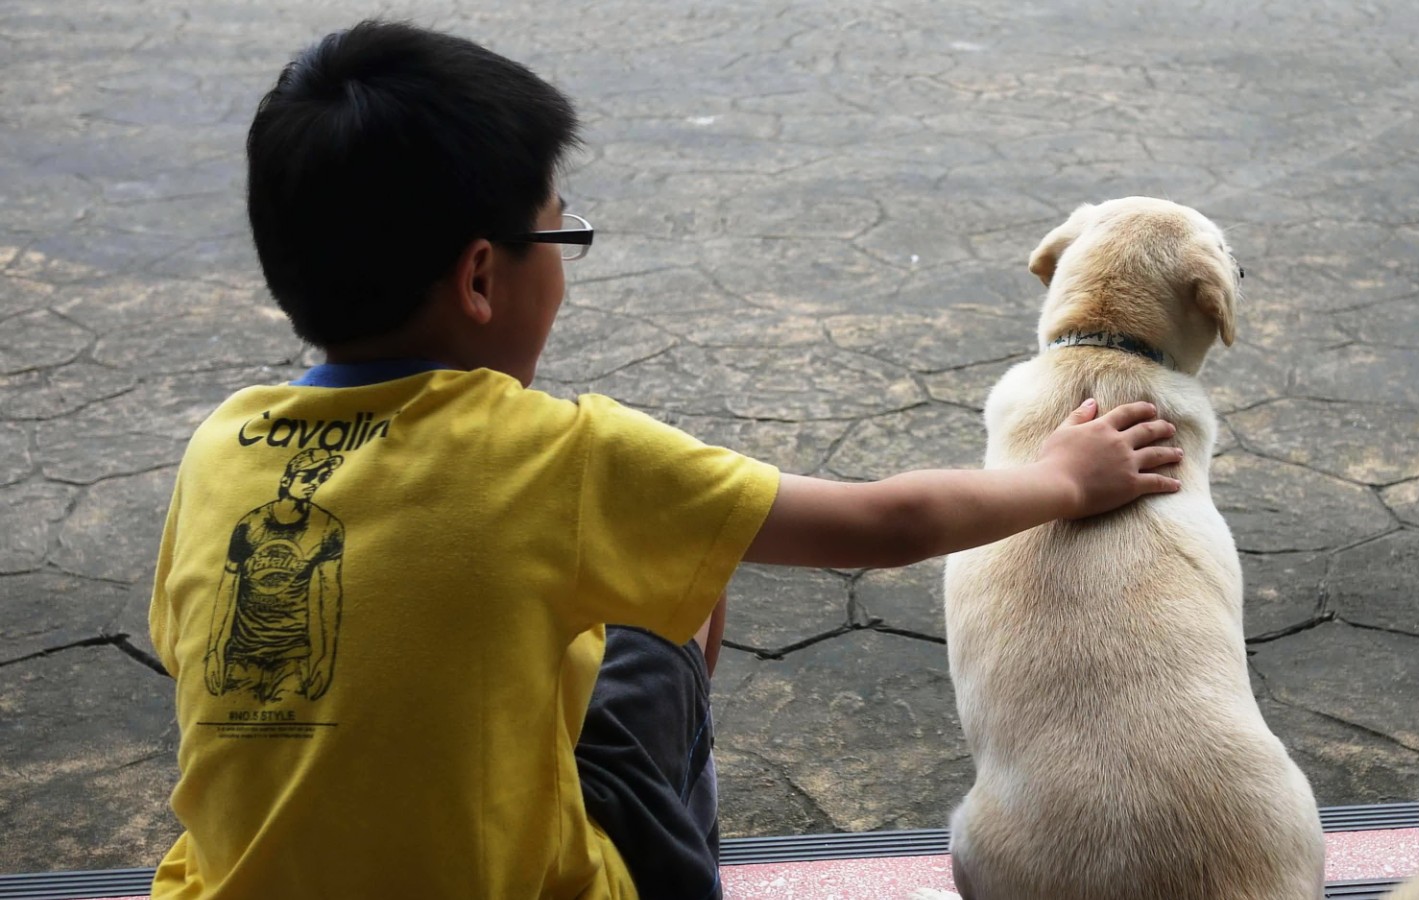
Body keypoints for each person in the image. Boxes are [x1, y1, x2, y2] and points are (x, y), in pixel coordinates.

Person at [146, 19, 1182, 900]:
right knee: (676, 598)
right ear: (478, 278)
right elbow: (883, 525)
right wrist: (1062, 477)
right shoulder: (557, 455)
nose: (564, 264)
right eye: (560, 238)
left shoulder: (218, 447)